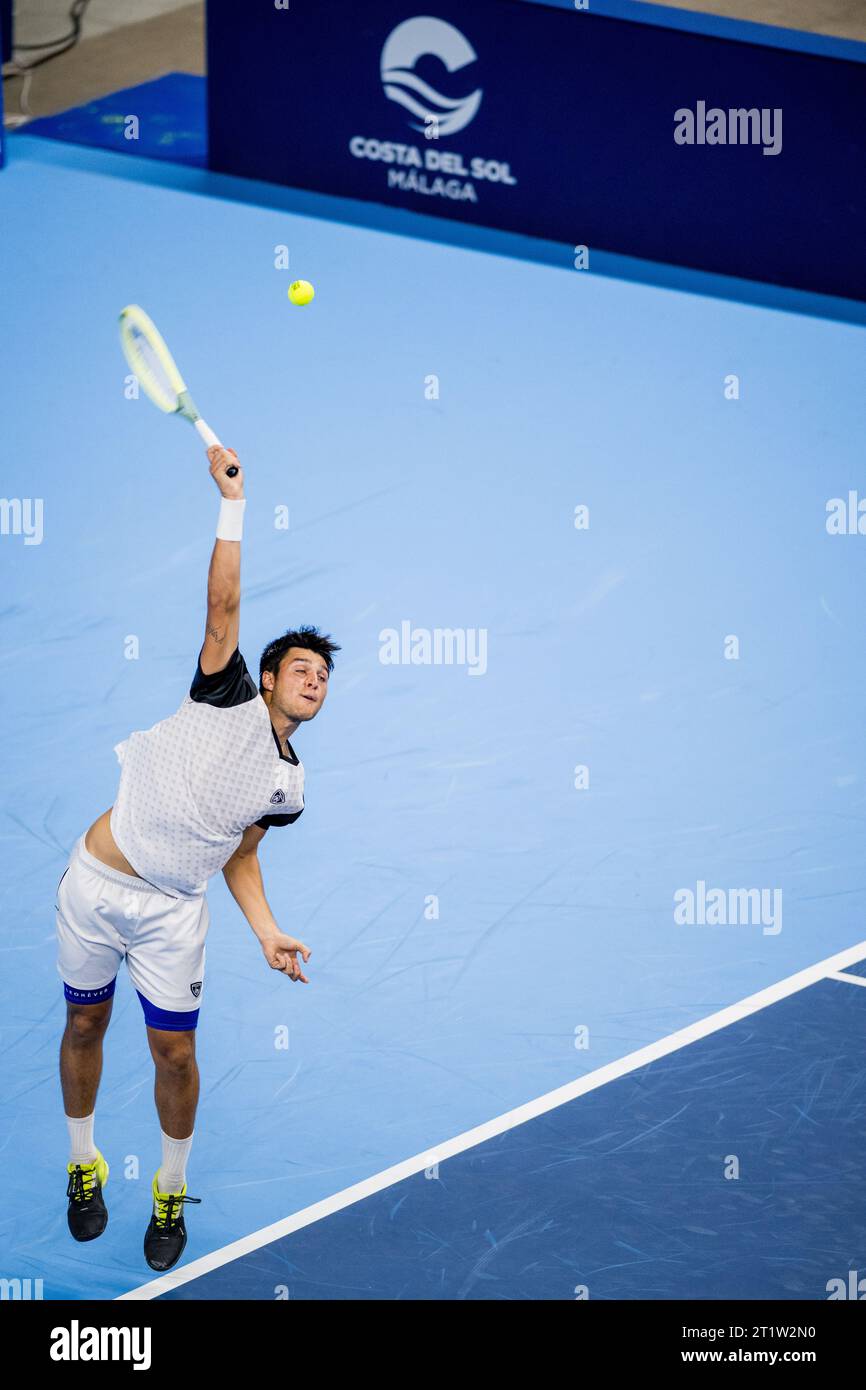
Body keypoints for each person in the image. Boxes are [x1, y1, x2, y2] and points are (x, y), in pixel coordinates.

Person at [55, 445, 339, 1271]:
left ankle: (170, 1184)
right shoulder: (225, 692)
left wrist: (266, 930)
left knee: (174, 1054)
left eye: (324, 675)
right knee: (84, 1023)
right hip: (96, 887)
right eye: (302, 667)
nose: (315, 679)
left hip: (175, 915)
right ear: (268, 675)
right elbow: (224, 604)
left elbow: (239, 855)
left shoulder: (290, 786)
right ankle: (84, 1164)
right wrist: (233, 504)